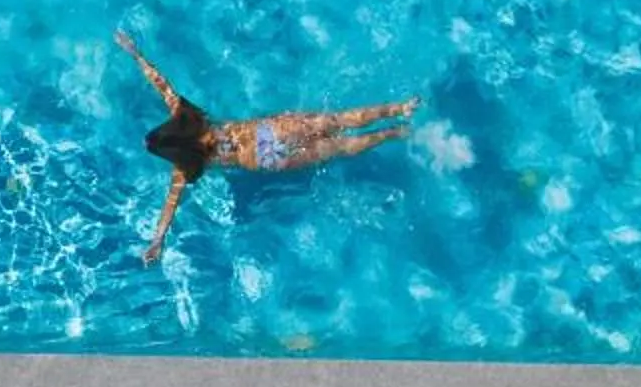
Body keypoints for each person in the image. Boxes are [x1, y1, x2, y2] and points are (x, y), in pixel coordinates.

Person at [115, 30, 418, 265]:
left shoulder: (184, 168)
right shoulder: (184, 114)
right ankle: (400, 108)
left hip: (265, 158)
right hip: (266, 132)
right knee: (337, 120)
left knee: (339, 147)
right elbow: (162, 84)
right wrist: (136, 54)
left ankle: (393, 133)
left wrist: (157, 241)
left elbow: (170, 206)